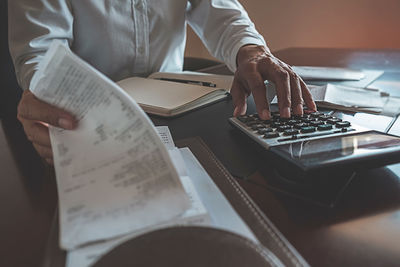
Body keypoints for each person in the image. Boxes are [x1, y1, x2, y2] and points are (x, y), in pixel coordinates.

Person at [8, 0, 316, 165]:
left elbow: (223, 15)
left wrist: (252, 50)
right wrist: (46, 93)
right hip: (90, 129)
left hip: (180, 123)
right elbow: (41, 55)